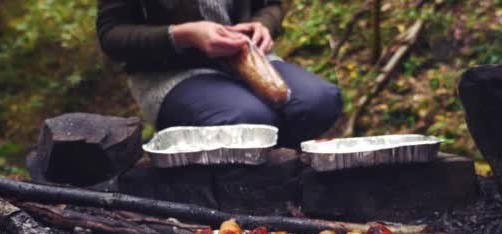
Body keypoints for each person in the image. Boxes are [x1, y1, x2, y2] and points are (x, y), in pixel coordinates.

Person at [96, 0, 342, 147]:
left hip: (249, 57)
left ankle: (287, 178)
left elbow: (270, 5)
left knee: (319, 101)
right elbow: (111, 36)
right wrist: (184, 34)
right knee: (248, 118)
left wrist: (263, 25)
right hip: (171, 73)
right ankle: (235, 192)